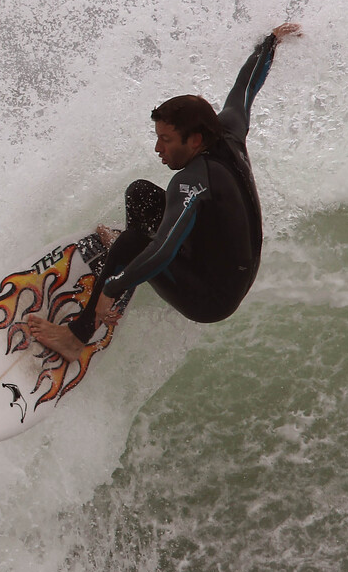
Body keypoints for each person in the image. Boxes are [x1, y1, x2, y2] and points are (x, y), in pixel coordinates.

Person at [27, 22, 303, 361]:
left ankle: (78, 334)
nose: (158, 148)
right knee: (140, 193)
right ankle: (124, 275)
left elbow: (162, 252)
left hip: (212, 299)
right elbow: (244, 89)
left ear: (196, 140)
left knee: (133, 243)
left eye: (166, 140)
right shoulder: (229, 130)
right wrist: (269, 43)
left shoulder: (191, 181)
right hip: (229, 268)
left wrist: (111, 287)